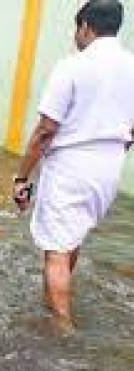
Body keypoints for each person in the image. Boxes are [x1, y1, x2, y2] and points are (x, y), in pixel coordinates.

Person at [13, 0, 134, 327]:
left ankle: (62, 330)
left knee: (56, 250)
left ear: (85, 27)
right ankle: (55, 300)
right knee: (71, 238)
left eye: (76, 30)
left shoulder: (73, 66)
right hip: (108, 169)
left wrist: (21, 178)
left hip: (71, 167)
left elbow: (45, 130)